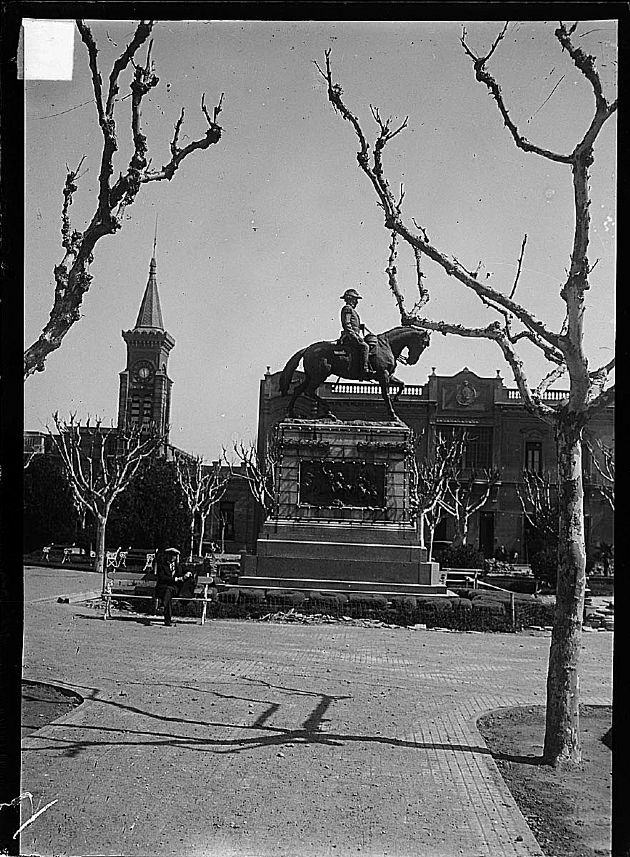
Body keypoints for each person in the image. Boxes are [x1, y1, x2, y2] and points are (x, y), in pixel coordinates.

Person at [338, 288, 374, 380]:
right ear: (350, 299)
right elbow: (347, 324)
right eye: (355, 299)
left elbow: (352, 323)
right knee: (365, 347)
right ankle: (364, 370)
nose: (357, 302)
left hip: (353, 334)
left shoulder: (351, 310)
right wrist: (354, 335)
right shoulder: (348, 309)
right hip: (350, 336)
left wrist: (359, 326)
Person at [154, 547, 183, 627]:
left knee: (168, 591)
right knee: (168, 594)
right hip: (162, 589)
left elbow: (182, 575)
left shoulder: (178, 567)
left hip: (174, 590)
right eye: (170, 555)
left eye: (174, 555)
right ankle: (167, 620)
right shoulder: (162, 566)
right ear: (167, 556)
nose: (172, 557)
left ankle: (162, 605)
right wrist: (175, 579)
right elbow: (162, 578)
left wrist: (188, 573)